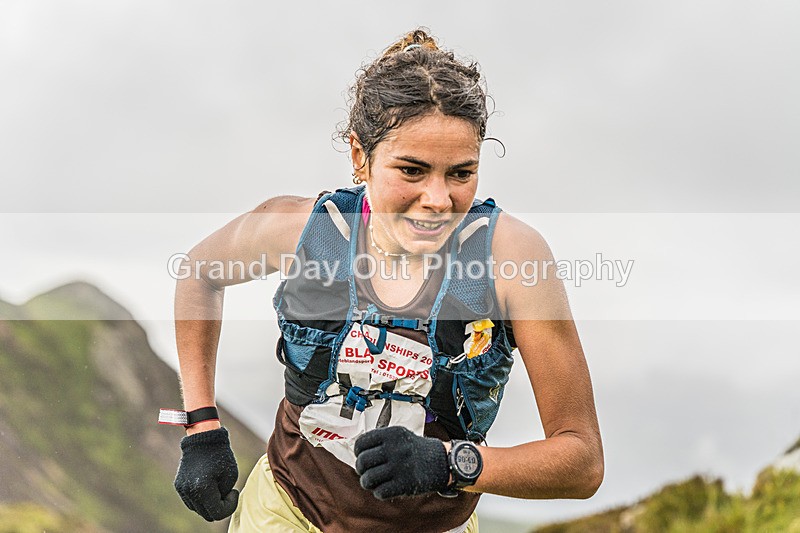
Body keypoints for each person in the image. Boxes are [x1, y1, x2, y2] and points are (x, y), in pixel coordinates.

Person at [169, 28, 603, 533]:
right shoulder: (305, 231)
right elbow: (198, 273)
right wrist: (201, 427)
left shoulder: (511, 259)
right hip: (285, 513)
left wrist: (449, 462)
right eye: (412, 171)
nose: (438, 199)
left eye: (461, 173)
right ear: (360, 156)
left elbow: (582, 460)